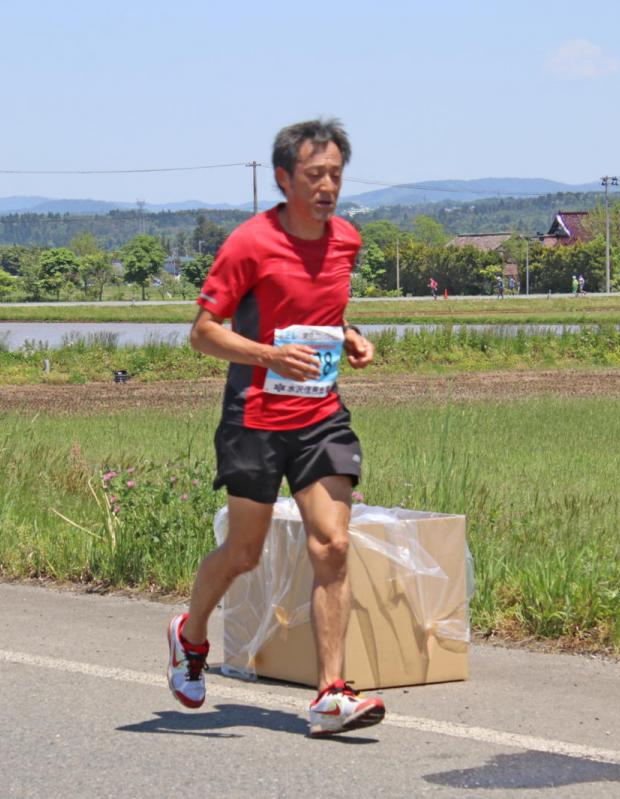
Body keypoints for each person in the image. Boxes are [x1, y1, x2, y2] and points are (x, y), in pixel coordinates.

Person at [172, 118, 385, 737]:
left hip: (320, 416)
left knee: (333, 544)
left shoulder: (346, 239)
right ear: (285, 178)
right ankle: (190, 636)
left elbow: (323, 315)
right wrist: (268, 357)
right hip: (254, 420)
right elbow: (202, 334)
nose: (327, 187)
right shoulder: (249, 243)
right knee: (244, 553)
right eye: (315, 175)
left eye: (336, 176)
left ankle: (330, 695)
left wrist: (348, 338)